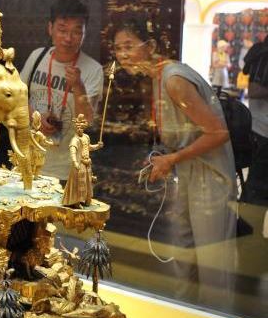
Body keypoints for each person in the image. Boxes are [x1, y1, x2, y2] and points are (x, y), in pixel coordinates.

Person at [113, 17, 237, 303]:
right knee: (183, 255)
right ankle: (185, 314)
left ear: (151, 46)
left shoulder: (174, 79)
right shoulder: (157, 79)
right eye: (118, 48)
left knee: (212, 264)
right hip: (186, 173)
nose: (122, 55)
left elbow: (218, 133)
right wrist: (164, 157)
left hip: (209, 176)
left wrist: (173, 158)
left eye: (129, 46)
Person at [19, 0, 103, 181]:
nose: (68, 38)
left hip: (66, 171)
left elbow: (87, 121)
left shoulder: (93, 69)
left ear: (85, 33)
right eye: (62, 30)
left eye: (77, 31)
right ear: (50, 28)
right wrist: (35, 117)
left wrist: (78, 86)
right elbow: (15, 99)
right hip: (27, 163)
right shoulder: (37, 56)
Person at [242, 35, 268, 206]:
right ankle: (247, 222)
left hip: (262, 128)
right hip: (263, 129)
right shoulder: (264, 56)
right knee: (258, 187)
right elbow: (254, 90)